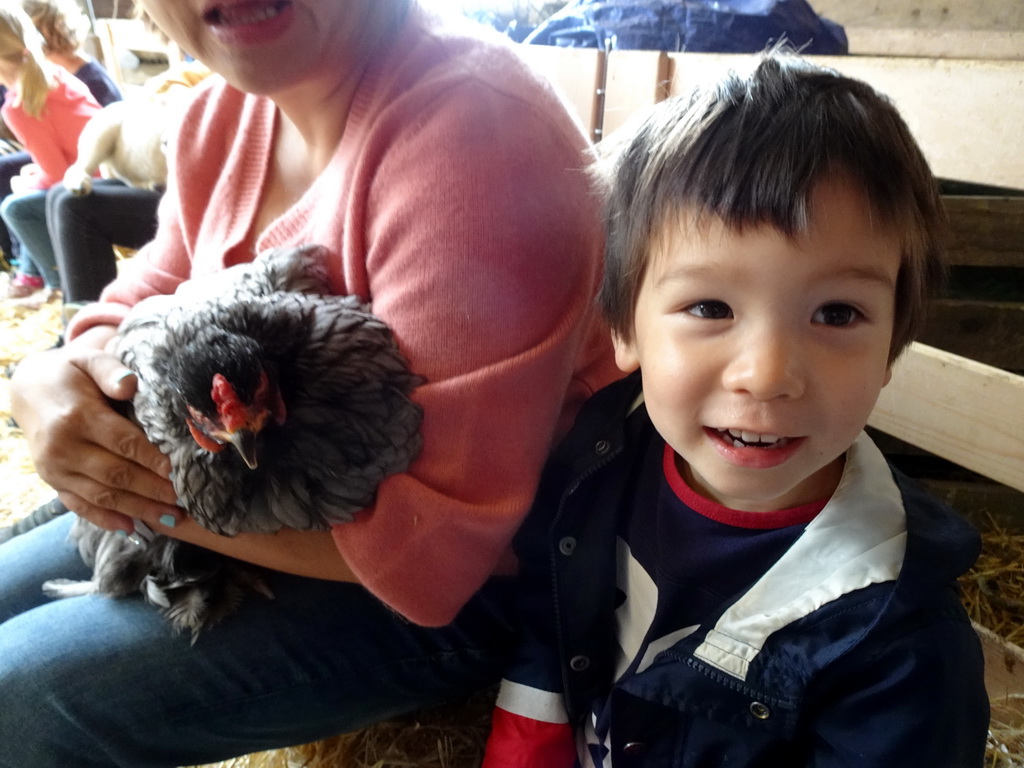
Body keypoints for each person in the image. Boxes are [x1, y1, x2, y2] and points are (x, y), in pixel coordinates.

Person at [0, 0, 620, 766]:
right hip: (240, 512)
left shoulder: (474, 138)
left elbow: (436, 563)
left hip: (480, 578)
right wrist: (48, 374)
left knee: (21, 700)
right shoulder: (219, 115)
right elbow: (135, 302)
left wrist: (129, 483)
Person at [481, 53, 990, 768]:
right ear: (625, 328)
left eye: (837, 313)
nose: (768, 374)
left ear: (892, 348)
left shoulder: (899, 649)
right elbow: (554, 621)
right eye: (710, 307)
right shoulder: (602, 461)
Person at [0, 0, 119, 292]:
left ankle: (58, 285)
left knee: (16, 207)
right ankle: (29, 275)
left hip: (95, 182)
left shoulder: (20, 105)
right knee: (28, 190)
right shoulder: (57, 75)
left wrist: (26, 183)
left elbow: (56, 176)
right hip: (109, 169)